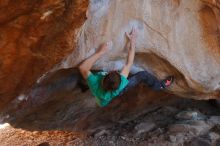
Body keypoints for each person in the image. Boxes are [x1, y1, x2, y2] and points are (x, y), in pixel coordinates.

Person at [79, 27, 174, 107]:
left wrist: (100, 52)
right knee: (143, 75)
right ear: (121, 78)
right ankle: (159, 86)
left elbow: (82, 68)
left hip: (102, 99)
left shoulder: (94, 83)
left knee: (99, 100)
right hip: (118, 92)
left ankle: (84, 86)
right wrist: (133, 41)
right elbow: (129, 62)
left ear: (105, 75)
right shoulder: (122, 82)